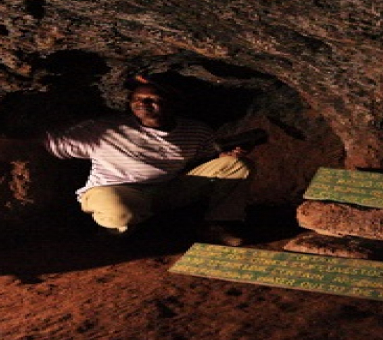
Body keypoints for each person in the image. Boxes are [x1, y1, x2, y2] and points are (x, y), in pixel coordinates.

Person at [43, 81, 258, 246]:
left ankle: (216, 226)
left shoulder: (196, 131)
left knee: (237, 165)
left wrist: (230, 155)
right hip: (113, 190)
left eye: (152, 99)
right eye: (137, 99)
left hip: (165, 190)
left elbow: (207, 159)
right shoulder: (105, 129)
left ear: (172, 104)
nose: (143, 104)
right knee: (118, 213)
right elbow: (53, 144)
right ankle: (115, 230)